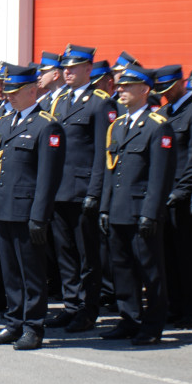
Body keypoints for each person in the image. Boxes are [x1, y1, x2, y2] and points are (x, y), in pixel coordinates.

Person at [0, 65, 66, 350]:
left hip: (28, 211)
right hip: (4, 208)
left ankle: (33, 326)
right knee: (11, 272)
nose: (9, 97)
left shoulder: (46, 125)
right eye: (7, 91)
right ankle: (14, 322)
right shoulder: (5, 123)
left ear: (33, 91)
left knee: (31, 273)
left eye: (15, 92)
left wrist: (39, 216)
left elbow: (47, 177)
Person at [99, 63, 176, 345]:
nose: (121, 90)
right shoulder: (118, 126)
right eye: (120, 86)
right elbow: (111, 170)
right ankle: (129, 319)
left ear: (144, 90)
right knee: (122, 268)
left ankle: (153, 325)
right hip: (119, 208)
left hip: (141, 210)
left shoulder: (158, 127)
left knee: (150, 269)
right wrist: (105, 207)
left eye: (128, 87)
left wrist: (151, 213)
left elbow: (159, 176)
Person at [44, 45, 116, 333]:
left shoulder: (100, 103)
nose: (68, 72)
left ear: (89, 69)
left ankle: (88, 310)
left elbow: (103, 152)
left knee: (88, 256)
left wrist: (95, 192)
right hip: (59, 190)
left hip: (83, 189)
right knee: (65, 253)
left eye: (74, 68)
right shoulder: (58, 101)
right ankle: (71, 304)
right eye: (65, 68)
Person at [154, 64, 192, 329]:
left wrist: (181, 191)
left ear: (180, 83)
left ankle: (190, 311)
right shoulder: (163, 113)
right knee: (167, 256)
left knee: (186, 257)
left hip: (182, 196)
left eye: (168, 89)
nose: (165, 95)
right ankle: (174, 307)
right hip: (162, 195)